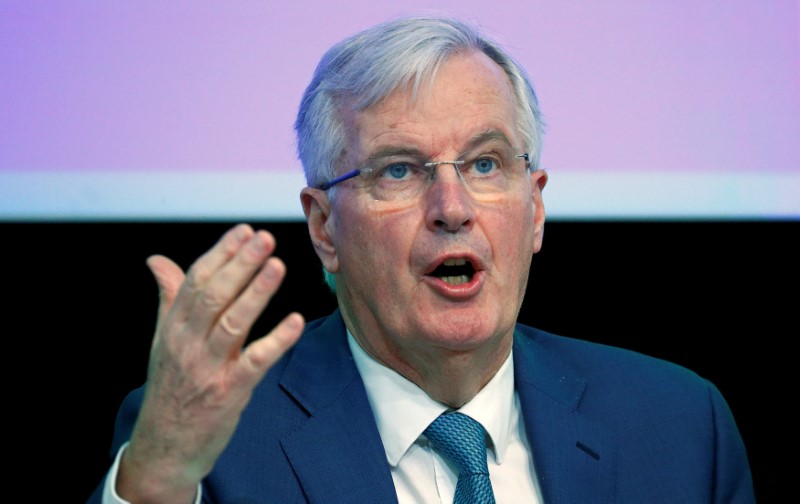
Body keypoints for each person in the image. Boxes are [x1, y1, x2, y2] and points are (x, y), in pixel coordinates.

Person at [88, 15, 755, 504]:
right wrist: (160, 477)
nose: (452, 206)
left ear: (537, 209)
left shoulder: (679, 430)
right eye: (399, 171)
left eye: (487, 163)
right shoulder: (208, 450)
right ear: (323, 229)